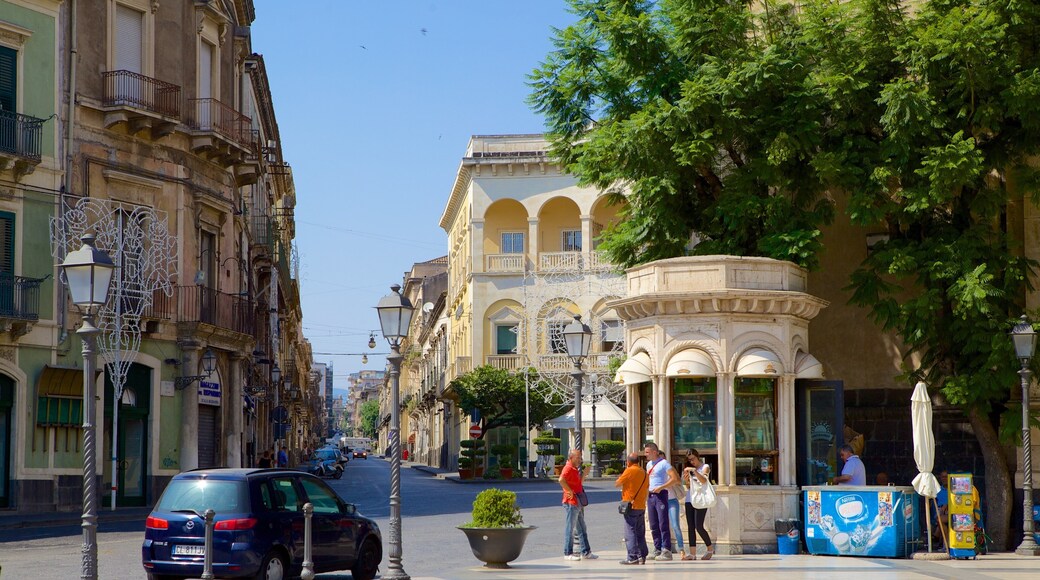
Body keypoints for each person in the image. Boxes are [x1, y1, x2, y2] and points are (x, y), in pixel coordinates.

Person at [559, 449, 596, 561]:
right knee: (570, 528)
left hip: (577, 501)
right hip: (571, 502)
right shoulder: (568, 468)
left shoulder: (573, 469)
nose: (580, 460)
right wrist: (569, 491)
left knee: (581, 528)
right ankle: (568, 553)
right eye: (578, 458)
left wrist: (584, 474)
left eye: (580, 458)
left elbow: (579, 484)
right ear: (572, 457)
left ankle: (586, 552)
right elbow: (561, 479)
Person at [644, 442, 679, 560]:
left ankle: (666, 549)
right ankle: (657, 548)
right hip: (651, 495)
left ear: (655, 452)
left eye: (647, 452)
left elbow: (675, 479)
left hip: (661, 495)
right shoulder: (648, 465)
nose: (645, 455)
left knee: (663, 522)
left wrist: (662, 487)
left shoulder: (664, 464)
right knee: (653, 524)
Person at [615, 452, 650, 565]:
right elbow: (647, 487)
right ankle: (642, 555)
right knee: (640, 532)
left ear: (628, 462)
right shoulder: (644, 472)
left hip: (630, 506)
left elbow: (617, 483)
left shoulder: (629, 470)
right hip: (641, 506)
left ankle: (632, 557)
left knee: (630, 531)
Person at [682, 448, 715, 560]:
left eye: (693, 459)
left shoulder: (704, 467)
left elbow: (704, 480)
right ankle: (692, 553)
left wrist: (694, 471)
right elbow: (688, 486)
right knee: (691, 527)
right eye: (689, 460)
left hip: (701, 500)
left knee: (699, 526)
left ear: (697, 456)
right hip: (690, 499)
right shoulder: (690, 469)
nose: (692, 462)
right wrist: (686, 479)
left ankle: (710, 548)